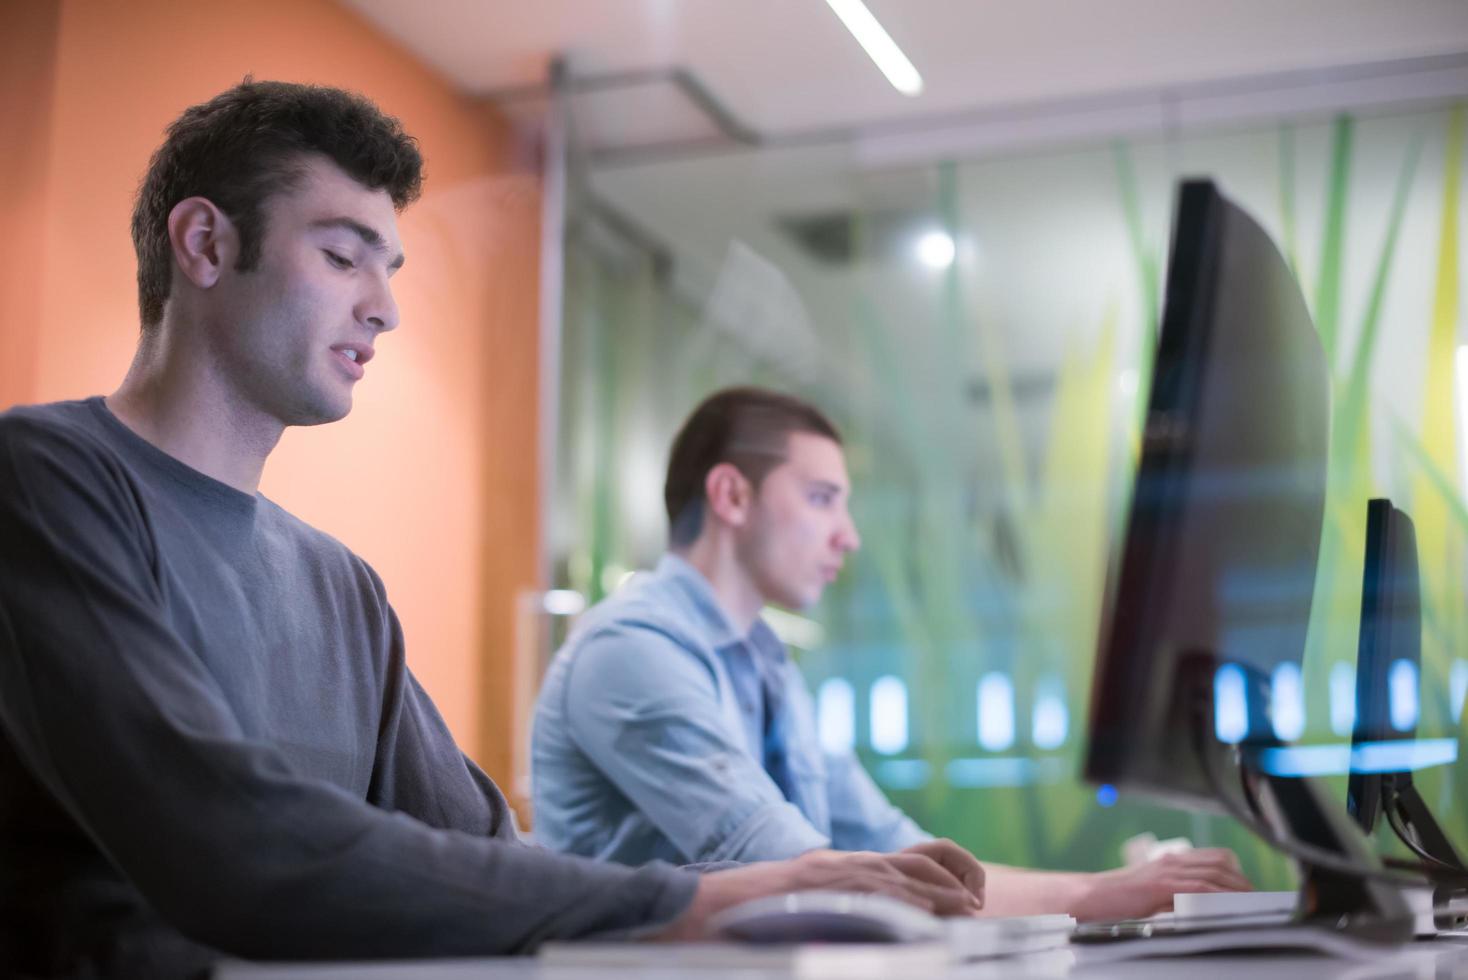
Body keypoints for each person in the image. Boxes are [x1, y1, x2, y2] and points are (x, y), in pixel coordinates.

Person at [0, 82, 986, 980]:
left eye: (387, 269)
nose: (382, 307)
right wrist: (695, 896)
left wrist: (748, 901)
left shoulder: (337, 583)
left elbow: (488, 857)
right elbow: (232, 846)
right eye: (341, 255)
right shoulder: (44, 481)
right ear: (206, 245)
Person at [532, 386, 1253, 920]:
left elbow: (900, 857)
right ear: (731, 495)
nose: (847, 535)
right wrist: (1097, 895)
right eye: (822, 498)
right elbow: (799, 867)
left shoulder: (768, 671)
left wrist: (1105, 895)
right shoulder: (632, 650)